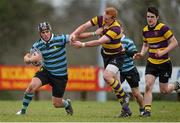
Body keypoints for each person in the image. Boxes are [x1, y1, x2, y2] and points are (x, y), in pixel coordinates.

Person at [70, 7, 132, 117]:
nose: (104, 20)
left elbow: (99, 41)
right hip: (106, 55)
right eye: (104, 17)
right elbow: (84, 26)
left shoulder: (115, 29)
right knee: (115, 86)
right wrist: (73, 35)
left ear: (113, 19)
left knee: (107, 76)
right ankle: (125, 110)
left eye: (107, 19)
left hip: (117, 56)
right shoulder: (101, 19)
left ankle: (125, 95)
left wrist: (82, 45)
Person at [16, 22, 73, 115]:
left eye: (47, 31)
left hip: (60, 76)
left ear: (50, 31)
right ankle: (23, 111)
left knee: (57, 104)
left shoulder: (60, 38)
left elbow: (74, 37)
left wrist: (82, 42)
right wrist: (31, 59)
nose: (46, 34)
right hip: (46, 71)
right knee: (31, 87)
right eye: (43, 32)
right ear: (40, 34)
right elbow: (26, 57)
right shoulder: (37, 45)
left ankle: (67, 103)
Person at [133, 6, 179, 117]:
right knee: (148, 85)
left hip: (164, 63)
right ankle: (147, 111)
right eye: (148, 17)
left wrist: (163, 52)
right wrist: (142, 53)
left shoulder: (163, 28)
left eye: (152, 17)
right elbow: (145, 44)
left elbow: (174, 43)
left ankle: (176, 85)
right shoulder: (145, 30)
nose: (150, 19)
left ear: (157, 17)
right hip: (152, 63)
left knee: (164, 90)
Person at [119, 36, 144, 116]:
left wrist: (124, 51)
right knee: (116, 89)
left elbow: (134, 53)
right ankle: (125, 111)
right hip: (119, 71)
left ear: (121, 29)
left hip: (130, 70)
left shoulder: (128, 41)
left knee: (136, 93)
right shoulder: (112, 41)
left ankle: (142, 109)